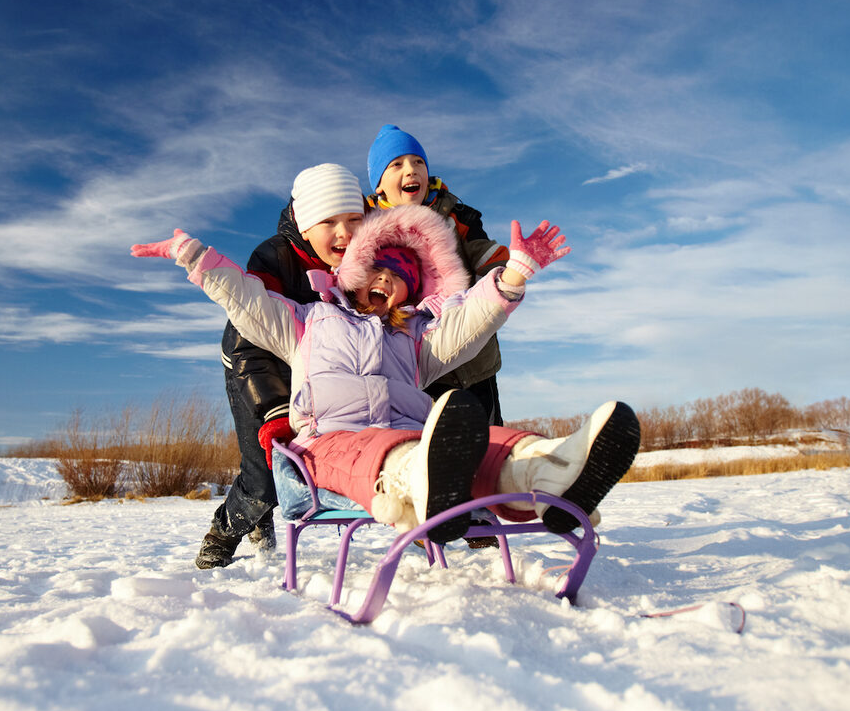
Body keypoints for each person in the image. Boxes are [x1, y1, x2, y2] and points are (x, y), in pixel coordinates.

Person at [132, 203, 640, 545]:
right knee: (390, 453)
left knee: (487, 442)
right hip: (328, 445)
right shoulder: (307, 321)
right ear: (354, 271)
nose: (387, 281)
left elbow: (470, 322)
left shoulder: (416, 338)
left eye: (401, 278)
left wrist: (512, 275)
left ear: (413, 293)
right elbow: (246, 300)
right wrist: (194, 257)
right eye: (378, 269)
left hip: (415, 438)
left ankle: (551, 471)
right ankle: (421, 481)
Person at [193, 163, 367, 569]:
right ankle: (227, 528)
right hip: (255, 362)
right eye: (330, 222)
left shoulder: (368, 259)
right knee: (265, 476)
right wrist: (274, 410)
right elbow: (251, 340)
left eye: (355, 219)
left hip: (319, 372)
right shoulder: (274, 258)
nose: (345, 233)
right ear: (305, 226)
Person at [367, 124, 510, 424]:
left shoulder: (454, 216)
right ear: (379, 184)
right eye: (397, 164)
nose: (411, 170)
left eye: (418, 162)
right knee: (438, 448)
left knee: (491, 441)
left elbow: (484, 256)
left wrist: (502, 271)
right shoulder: (370, 230)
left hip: (474, 360)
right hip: (419, 364)